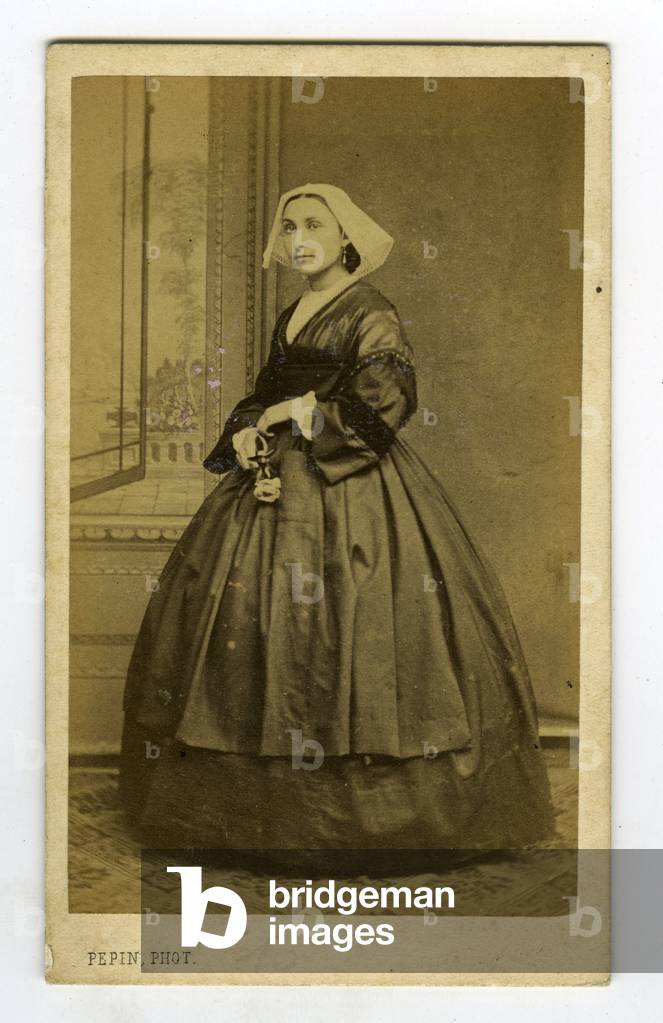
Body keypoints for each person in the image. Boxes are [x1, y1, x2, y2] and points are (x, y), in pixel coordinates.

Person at [119, 182, 555, 870]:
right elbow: (264, 394)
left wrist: (295, 414)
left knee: (358, 623)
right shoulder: (294, 311)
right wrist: (247, 430)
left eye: (314, 225)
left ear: (344, 237)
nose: (299, 239)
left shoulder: (371, 310)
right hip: (272, 486)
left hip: (351, 489)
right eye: (289, 226)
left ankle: (364, 821)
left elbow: (383, 407)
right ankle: (253, 816)